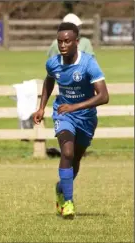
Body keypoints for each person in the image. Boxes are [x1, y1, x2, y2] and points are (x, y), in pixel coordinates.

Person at [33, 22, 109, 219]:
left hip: (86, 118)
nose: (63, 45)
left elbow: (103, 96)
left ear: (77, 42)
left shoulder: (88, 63)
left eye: (67, 41)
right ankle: (68, 202)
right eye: (59, 41)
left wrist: (75, 107)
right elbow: (49, 79)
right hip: (63, 114)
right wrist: (42, 107)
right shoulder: (53, 63)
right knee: (67, 152)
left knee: (75, 159)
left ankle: (61, 188)